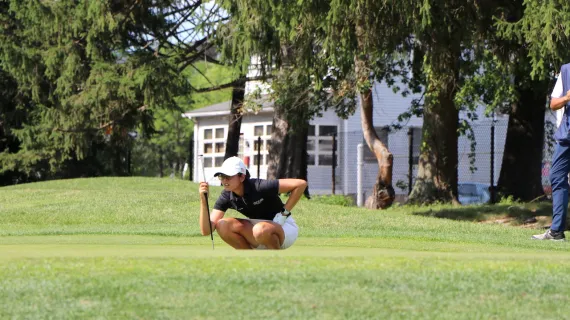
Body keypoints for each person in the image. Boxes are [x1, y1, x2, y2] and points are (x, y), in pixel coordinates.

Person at [198, 156, 307, 249]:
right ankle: (249, 259)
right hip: (258, 230)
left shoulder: (259, 186)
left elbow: (300, 184)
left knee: (260, 229)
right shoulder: (227, 195)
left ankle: (276, 260)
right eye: (222, 176)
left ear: (242, 177)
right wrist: (203, 200)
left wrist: (284, 214)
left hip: (284, 228)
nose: (224, 180)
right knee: (222, 225)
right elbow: (206, 231)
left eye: (229, 176)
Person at [533, 64, 570, 241]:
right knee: (556, 176)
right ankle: (556, 232)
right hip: (567, 137)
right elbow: (554, 103)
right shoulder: (566, 71)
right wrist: (567, 98)